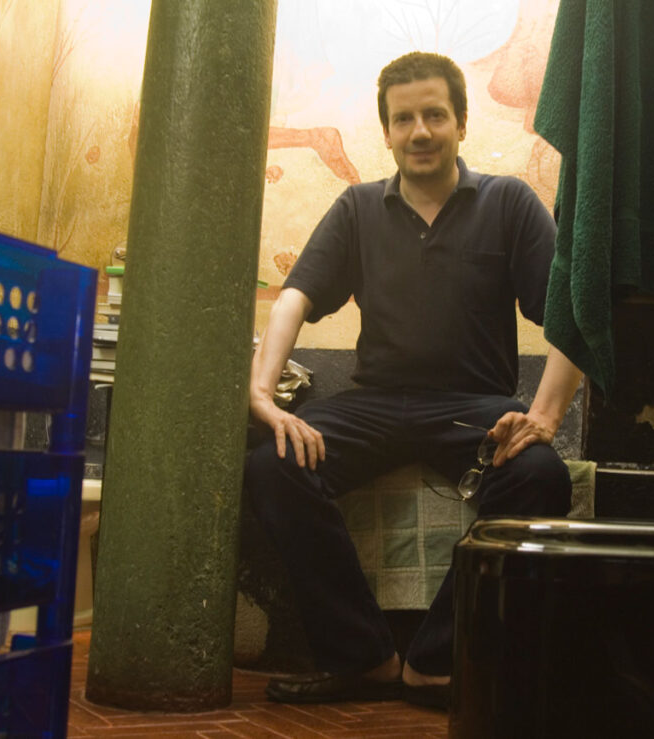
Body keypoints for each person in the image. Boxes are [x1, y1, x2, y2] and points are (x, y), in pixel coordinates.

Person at [244, 51, 584, 709]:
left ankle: (435, 660)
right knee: (273, 464)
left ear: (461, 123)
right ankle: (361, 655)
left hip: (472, 408)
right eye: (404, 119)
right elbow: (294, 298)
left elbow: (571, 315)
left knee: (541, 475)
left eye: (434, 115)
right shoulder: (357, 207)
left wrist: (544, 416)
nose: (420, 131)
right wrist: (262, 395)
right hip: (374, 403)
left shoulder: (508, 201)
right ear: (387, 132)